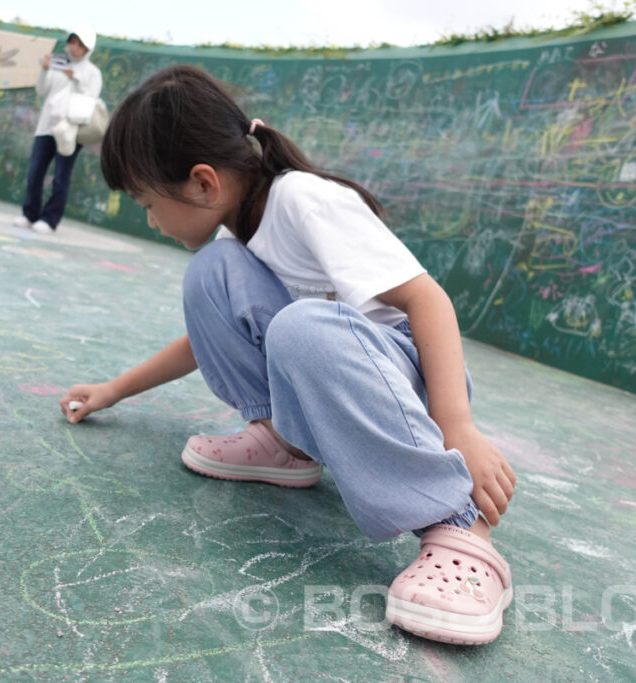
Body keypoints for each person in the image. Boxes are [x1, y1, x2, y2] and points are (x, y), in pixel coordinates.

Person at [59, 65, 518, 645]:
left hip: (402, 385)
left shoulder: (304, 200)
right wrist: (115, 389)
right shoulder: (237, 237)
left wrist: (458, 427)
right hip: (327, 373)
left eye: (147, 202)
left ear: (203, 183)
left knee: (300, 327)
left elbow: (427, 299)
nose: (150, 219)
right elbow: (200, 342)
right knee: (210, 277)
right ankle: (284, 446)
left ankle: (462, 532)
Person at [13, 25, 102, 233]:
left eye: (80, 44)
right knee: (35, 172)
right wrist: (45, 69)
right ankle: (30, 214)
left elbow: (91, 98)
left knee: (61, 176)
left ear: (88, 48)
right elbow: (42, 90)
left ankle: (50, 219)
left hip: (70, 131)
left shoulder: (92, 72)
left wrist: (76, 79)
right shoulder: (58, 64)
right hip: (46, 127)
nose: (74, 48)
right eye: (72, 42)